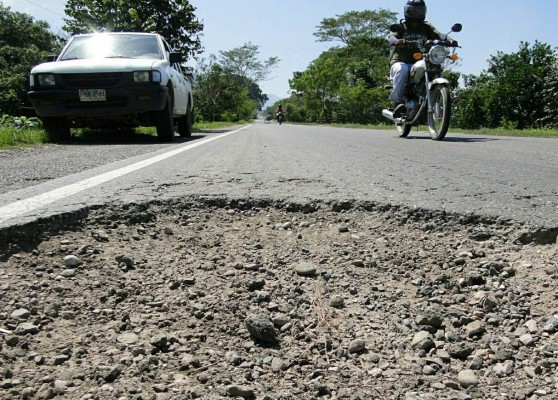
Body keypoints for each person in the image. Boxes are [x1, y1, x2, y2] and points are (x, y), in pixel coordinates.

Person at [388, 0, 456, 114]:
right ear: (406, 11)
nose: (416, 14)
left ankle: (430, 97)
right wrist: (398, 41)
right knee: (402, 69)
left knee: (433, 67)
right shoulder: (401, 26)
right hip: (401, 61)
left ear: (424, 12)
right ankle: (398, 103)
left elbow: (439, 35)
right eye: (413, 11)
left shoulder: (426, 27)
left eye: (419, 12)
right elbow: (391, 38)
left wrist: (450, 40)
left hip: (421, 60)